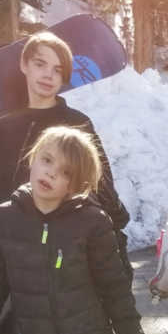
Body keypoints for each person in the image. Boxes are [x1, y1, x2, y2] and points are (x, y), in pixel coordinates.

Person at [0, 126, 147, 334]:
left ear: (76, 184)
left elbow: (114, 287)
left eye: (64, 171)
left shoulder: (92, 222)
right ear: (32, 159)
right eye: (47, 160)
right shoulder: (6, 221)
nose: (51, 173)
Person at [0, 31, 133, 281]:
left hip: (65, 255)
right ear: (24, 65)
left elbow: (101, 187)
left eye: (58, 70)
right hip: (14, 259)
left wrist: (115, 248)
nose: (48, 75)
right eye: (40, 64)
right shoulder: (5, 128)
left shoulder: (77, 123)